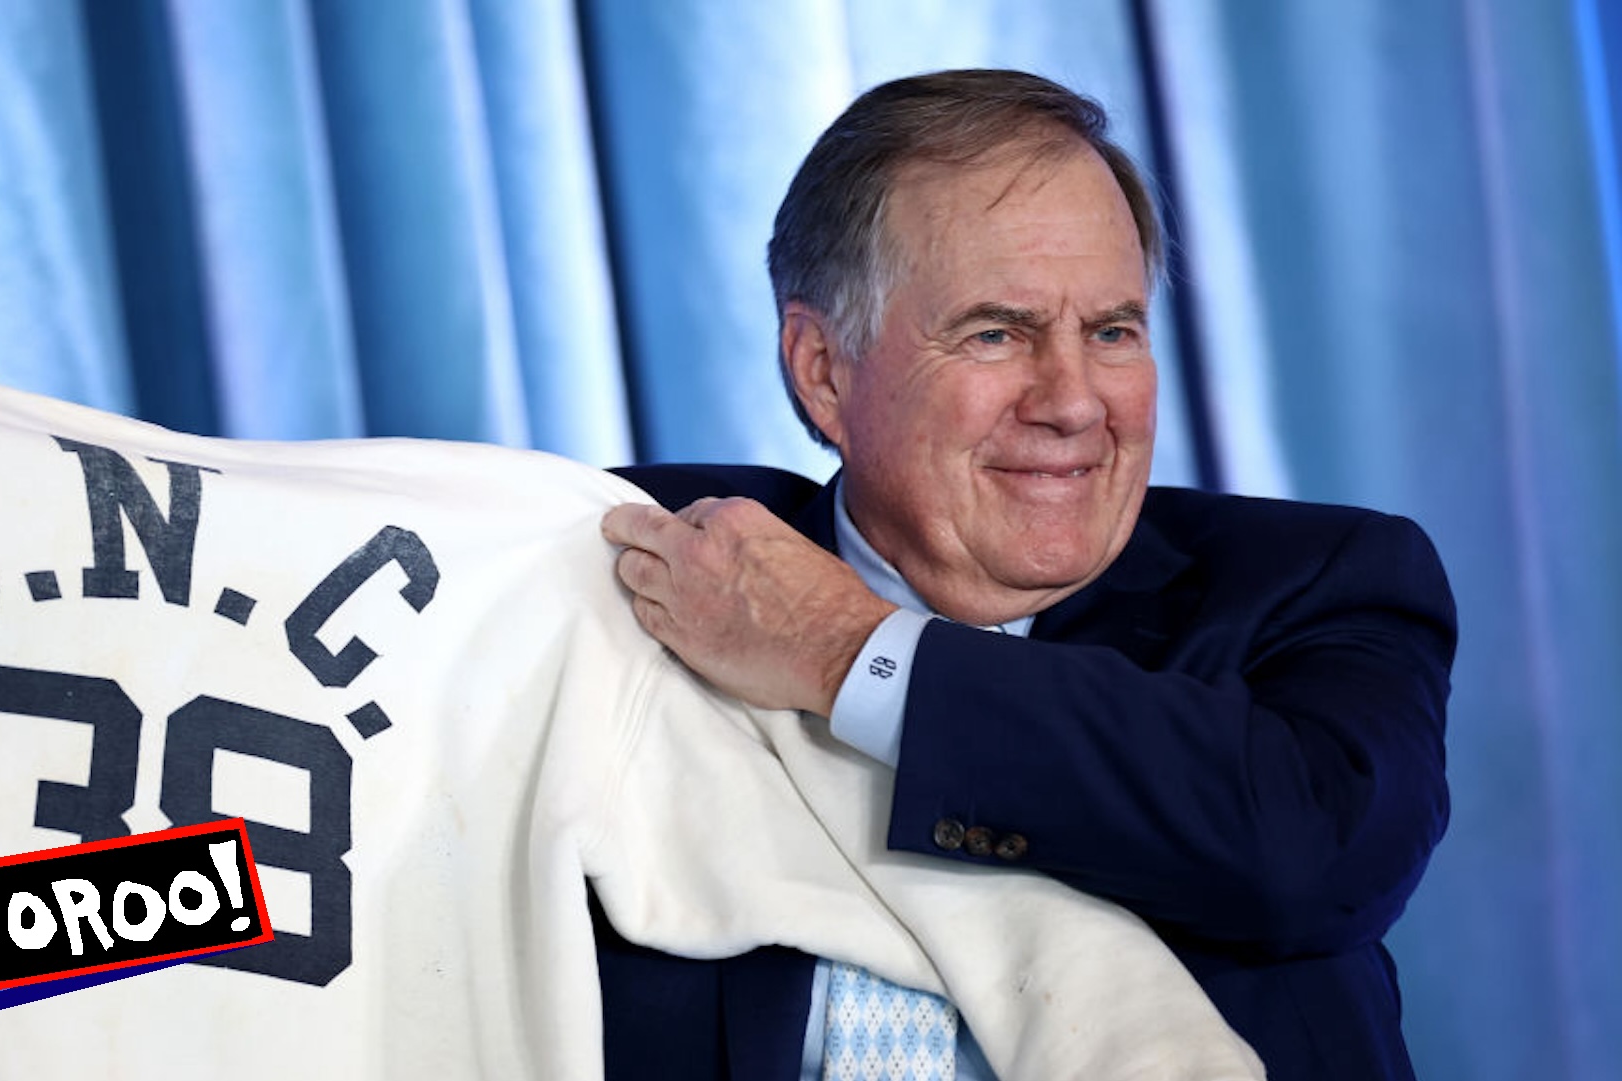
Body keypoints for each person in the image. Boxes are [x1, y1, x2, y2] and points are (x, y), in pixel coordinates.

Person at [593, 69, 1456, 1081]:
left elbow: (1311, 853)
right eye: (997, 332)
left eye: (1112, 332)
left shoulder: (1318, 583)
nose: (1073, 400)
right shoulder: (648, 559)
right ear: (825, 371)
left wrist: (850, 654)